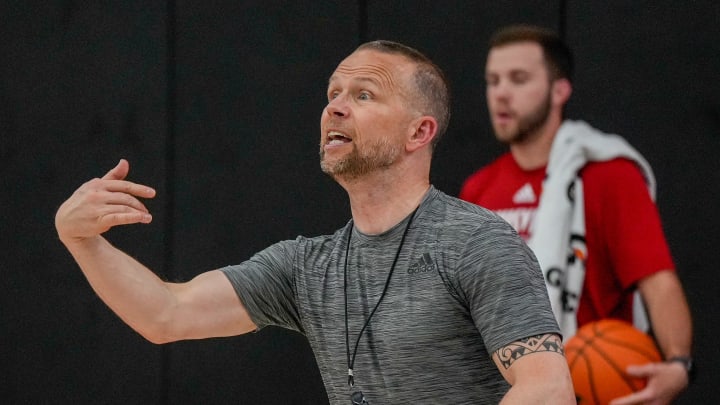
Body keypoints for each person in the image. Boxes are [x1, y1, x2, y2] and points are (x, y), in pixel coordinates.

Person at [55, 40, 575, 404]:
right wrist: (81, 240)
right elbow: (167, 313)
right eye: (332, 95)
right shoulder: (307, 267)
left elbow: (547, 389)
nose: (336, 109)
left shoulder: (476, 242)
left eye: (364, 95)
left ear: (419, 132)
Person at [460, 24, 693, 404]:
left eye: (518, 79)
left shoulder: (608, 175)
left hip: (593, 380)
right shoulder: (478, 189)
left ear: (559, 90)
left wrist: (679, 364)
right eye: (493, 80)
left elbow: (658, 281)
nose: (501, 93)